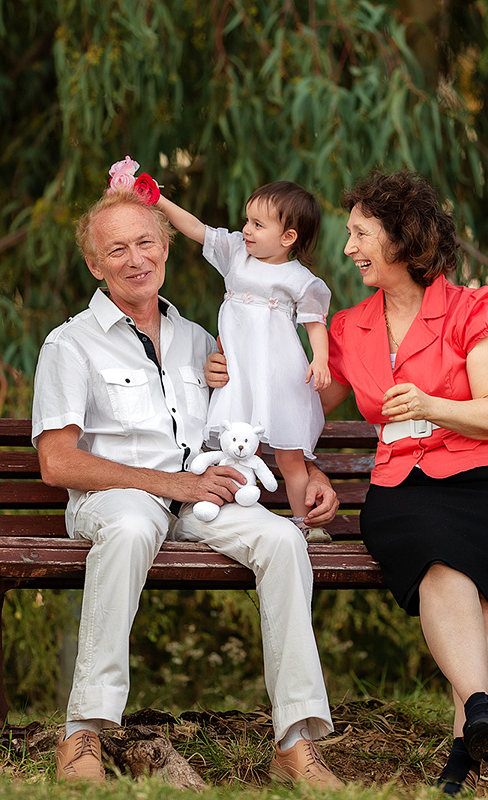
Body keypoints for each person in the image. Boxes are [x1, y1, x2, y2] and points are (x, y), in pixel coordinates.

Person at [32, 185, 343, 787]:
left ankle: (295, 742)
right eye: (116, 249)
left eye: (146, 241)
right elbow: (58, 464)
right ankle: (83, 733)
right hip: (117, 498)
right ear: (95, 265)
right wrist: (172, 482)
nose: (135, 258)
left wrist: (309, 469)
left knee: (283, 541)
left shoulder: (201, 341)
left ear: (167, 247)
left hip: (196, 496)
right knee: (127, 526)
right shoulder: (70, 343)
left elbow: (264, 411)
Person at [304, 169, 488, 790]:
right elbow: (312, 398)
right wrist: (232, 363)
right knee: (442, 566)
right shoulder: (350, 327)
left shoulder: (476, 307)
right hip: (405, 492)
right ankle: (476, 720)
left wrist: (427, 405)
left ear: (401, 237)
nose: (349, 248)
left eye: (360, 233)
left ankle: (466, 738)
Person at [156, 182, 333, 542]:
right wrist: (156, 199)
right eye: (247, 220)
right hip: (239, 372)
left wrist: (321, 360)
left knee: (289, 456)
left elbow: (315, 323)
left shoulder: (299, 278)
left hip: (278, 373)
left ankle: (306, 525)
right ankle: (227, 514)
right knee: (231, 443)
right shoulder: (236, 253)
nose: (246, 230)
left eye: (258, 224)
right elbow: (194, 227)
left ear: (288, 237)